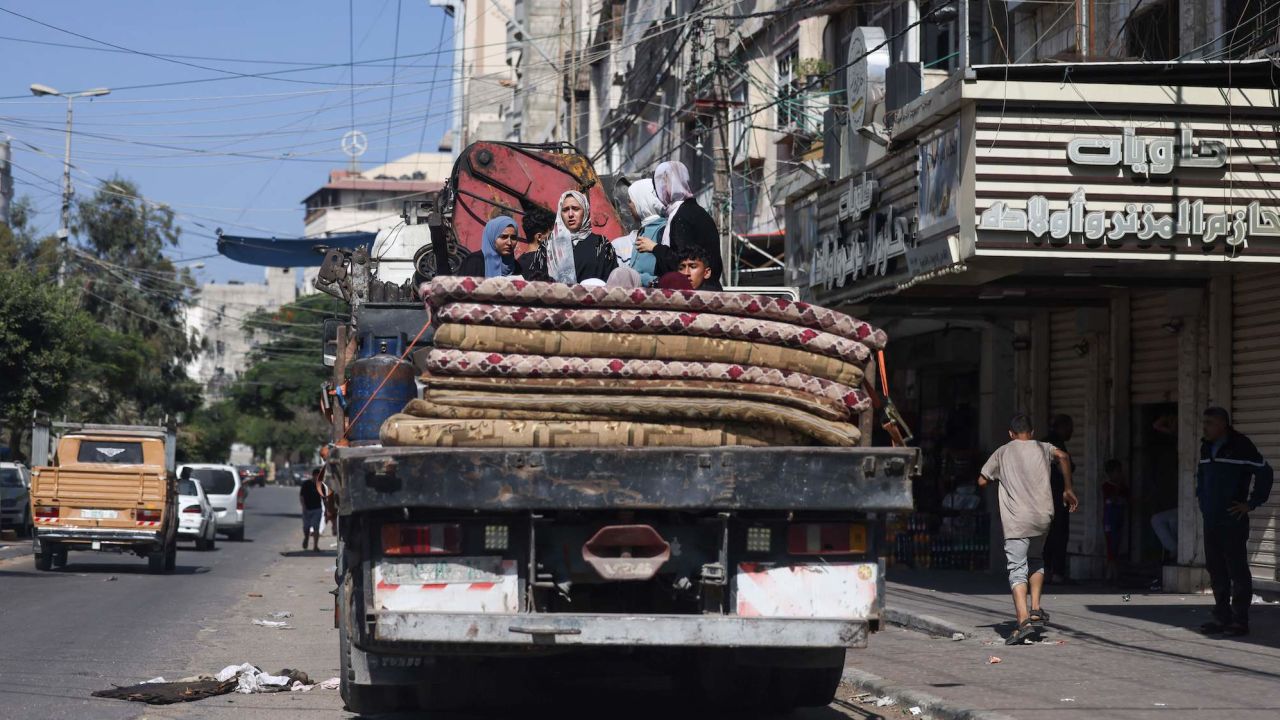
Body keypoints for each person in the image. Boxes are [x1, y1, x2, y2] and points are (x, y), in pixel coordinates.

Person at [978, 413, 1078, 645]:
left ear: (1011, 434)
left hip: (1017, 521)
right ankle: (1035, 608)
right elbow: (1063, 456)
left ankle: (1023, 622)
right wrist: (1068, 488)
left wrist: (999, 478)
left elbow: (982, 480)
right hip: (1043, 518)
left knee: (1016, 568)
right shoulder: (1043, 447)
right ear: (1031, 433)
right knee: (1036, 560)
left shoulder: (1002, 452)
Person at [1196, 407, 1273, 637]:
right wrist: (1201, 498)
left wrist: (1251, 503)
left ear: (1222, 424)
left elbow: (1265, 473)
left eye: (1209, 423)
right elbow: (1201, 476)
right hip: (1211, 519)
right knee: (1216, 569)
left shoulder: (1241, 446)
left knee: (1237, 569)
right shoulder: (1206, 446)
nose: (1205, 427)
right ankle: (1222, 617)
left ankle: (1240, 620)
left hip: (1232, 520)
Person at [650, 160, 721, 281]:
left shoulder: (681, 216)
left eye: (662, 182)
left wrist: (655, 248)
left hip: (693, 293)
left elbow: (681, 261)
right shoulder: (698, 211)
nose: (658, 190)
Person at [547, 190, 619, 284]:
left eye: (575, 209)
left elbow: (612, 279)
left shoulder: (601, 244)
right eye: (565, 210)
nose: (570, 214)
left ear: (585, 211)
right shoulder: (551, 247)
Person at [1041, 414, 1075, 584]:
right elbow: (1067, 466)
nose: (1071, 432)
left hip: (1042, 497)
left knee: (1048, 535)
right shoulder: (1056, 445)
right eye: (1069, 428)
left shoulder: (1042, 443)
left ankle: (1046, 571)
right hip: (1057, 496)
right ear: (1061, 427)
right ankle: (1057, 573)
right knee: (1059, 533)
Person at [621, 178, 665, 286]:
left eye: (631, 201)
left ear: (642, 200)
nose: (629, 205)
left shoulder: (663, 229)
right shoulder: (645, 228)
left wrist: (640, 278)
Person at [1101, 459, 1129, 580]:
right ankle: (1110, 573)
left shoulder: (1123, 487)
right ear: (1110, 473)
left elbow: (1126, 500)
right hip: (1109, 519)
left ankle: (1113, 573)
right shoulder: (1107, 486)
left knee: (1117, 544)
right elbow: (1112, 499)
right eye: (1117, 472)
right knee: (1110, 545)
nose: (1119, 474)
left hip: (1119, 518)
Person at [518, 205, 556, 282]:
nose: (554, 237)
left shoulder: (518, 263)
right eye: (551, 234)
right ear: (539, 237)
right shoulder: (546, 262)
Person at [300, 468, 325, 551]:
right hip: (307, 509)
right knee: (306, 528)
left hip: (317, 509)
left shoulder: (321, 485)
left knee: (316, 528)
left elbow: (325, 498)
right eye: (317, 476)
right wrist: (303, 507)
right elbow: (302, 496)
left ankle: (315, 546)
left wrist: (327, 510)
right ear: (313, 476)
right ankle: (306, 539)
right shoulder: (306, 484)